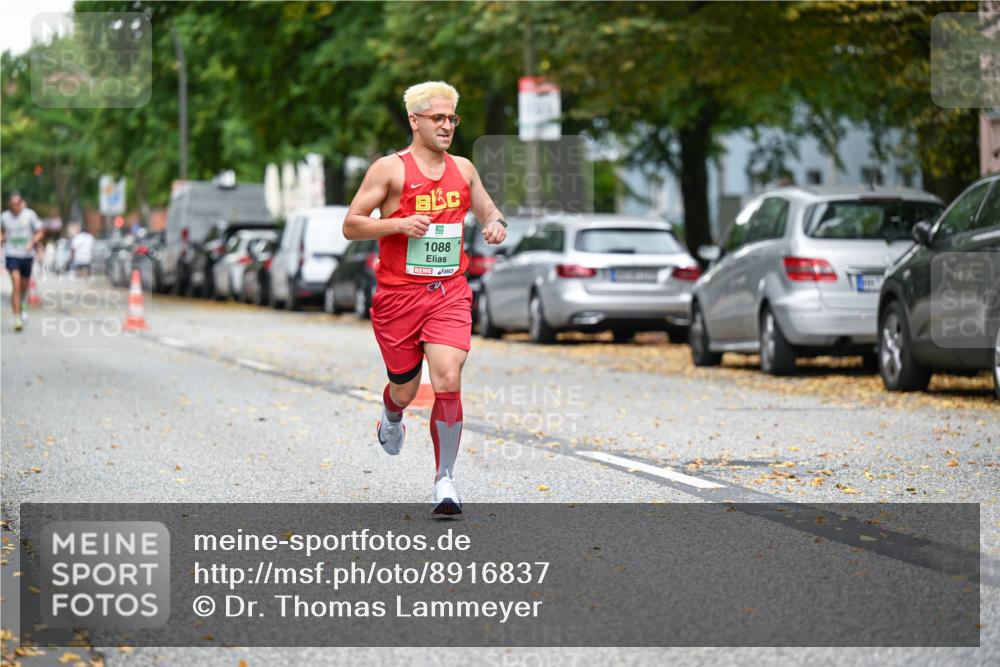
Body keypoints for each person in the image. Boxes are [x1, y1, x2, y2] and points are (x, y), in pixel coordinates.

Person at [344, 81, 507, 516]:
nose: (447, 125)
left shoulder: (464, 169)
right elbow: (352, 225)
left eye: (452, 118)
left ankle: (445, 481)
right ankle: (391, 414)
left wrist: (495, 223)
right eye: (438, 117)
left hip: (449, 293)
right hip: (398, 298)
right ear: (414, 121)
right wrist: (397, 225)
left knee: (448, 377)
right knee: (405, 387)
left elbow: (488, 209)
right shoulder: (389, 170)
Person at [1, 192, 45, 332]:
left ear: (21, 203)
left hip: (27, 255)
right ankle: (17, 318)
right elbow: (1, 231)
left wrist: (32, 242)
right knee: (15, 281)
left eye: (16, 204)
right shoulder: (4, 217)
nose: (14, 207)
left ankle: (22, 305)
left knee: (24, 286)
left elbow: (40, 231)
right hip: (12, 254)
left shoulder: (30, 215)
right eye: (12, 205)